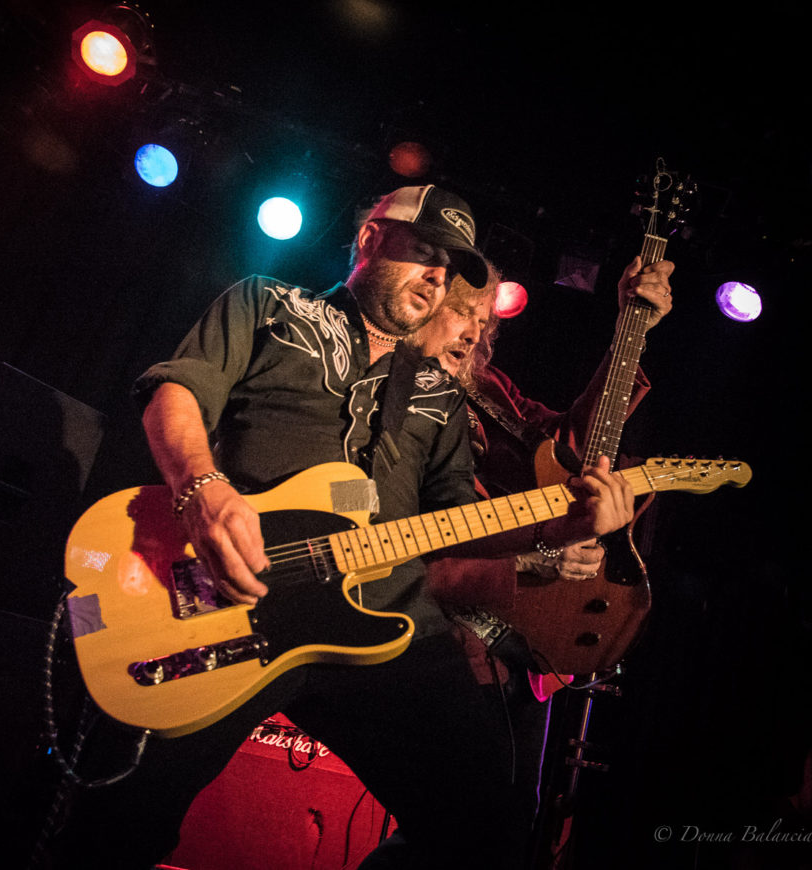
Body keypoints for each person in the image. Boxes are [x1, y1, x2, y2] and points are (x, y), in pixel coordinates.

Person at [48, 184, 637, 869]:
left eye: (450, 268)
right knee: (116, 818)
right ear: (370, 240)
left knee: (488, 826)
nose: (438, 277)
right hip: (237, 601)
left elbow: (454, 525)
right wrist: (202, 489)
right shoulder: (267, 302)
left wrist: (560, 527)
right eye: (426, 255)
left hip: (383, 620)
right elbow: (178, 388)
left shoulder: (439, 393)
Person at [376, 253, 673, 865]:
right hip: (439, 635)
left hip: (517, 643)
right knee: (461, 824)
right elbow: (410, 549)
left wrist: (630, 332)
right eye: (464, 310)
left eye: (486, 321)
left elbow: (571, 448)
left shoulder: (488, 391)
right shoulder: (388, 396)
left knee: (508, 831)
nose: (477, 332)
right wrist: (534, 561)